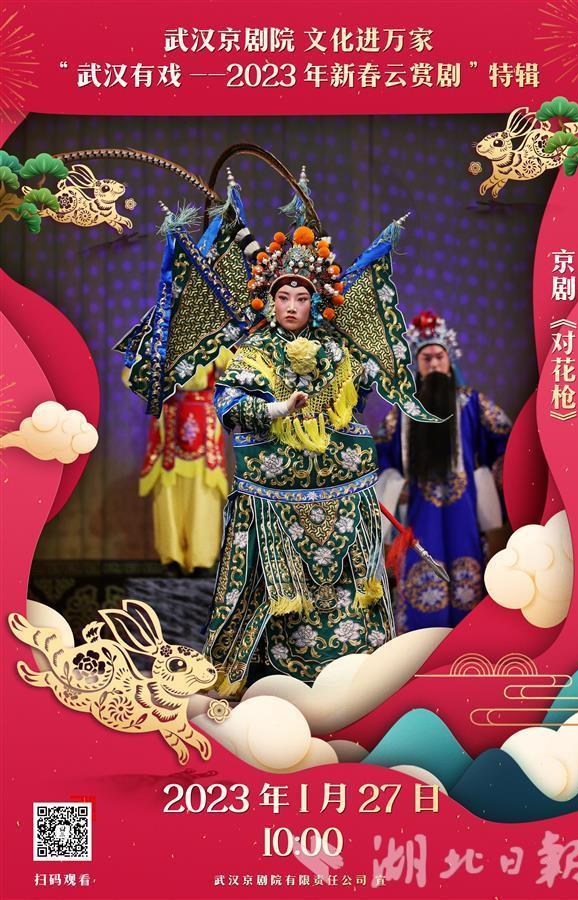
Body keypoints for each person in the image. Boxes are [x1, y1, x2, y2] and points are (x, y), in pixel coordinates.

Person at [118, 163, 441, 696]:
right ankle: (271, 689)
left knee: (348, 603)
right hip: (273, 504)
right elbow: (229, 404)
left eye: (302, 298)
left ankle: (356, 688)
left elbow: (358, 395)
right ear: (269, 300)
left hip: (343, 498)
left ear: (316, 302)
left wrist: (353, 376)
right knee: (271, 607)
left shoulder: (337, 348)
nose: (292, 307)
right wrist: (275, 410)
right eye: (284, 297)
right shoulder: (251, 351)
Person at [377, 310, 512, 633]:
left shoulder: (473, 403)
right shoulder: (403, 412)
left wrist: (493, 475)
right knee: (421, 578)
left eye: (440, 357)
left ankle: (467, 645)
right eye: (427, 359)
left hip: (465, 510)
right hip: (419, 511)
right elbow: (379, 455)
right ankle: (419, 650)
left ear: (450, 361)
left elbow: (506, 441)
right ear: (418, 366)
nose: (434, 364)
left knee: (469, 579)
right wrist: (395, 484)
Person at [135, 359, 229, 574]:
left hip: (204, 420)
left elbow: (235, 365)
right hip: (169, 418)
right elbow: (133, 377)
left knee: (203, 493)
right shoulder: (159, 342)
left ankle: (201, 559)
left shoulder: (215, 342)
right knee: (168, 492)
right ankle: (171, 558)